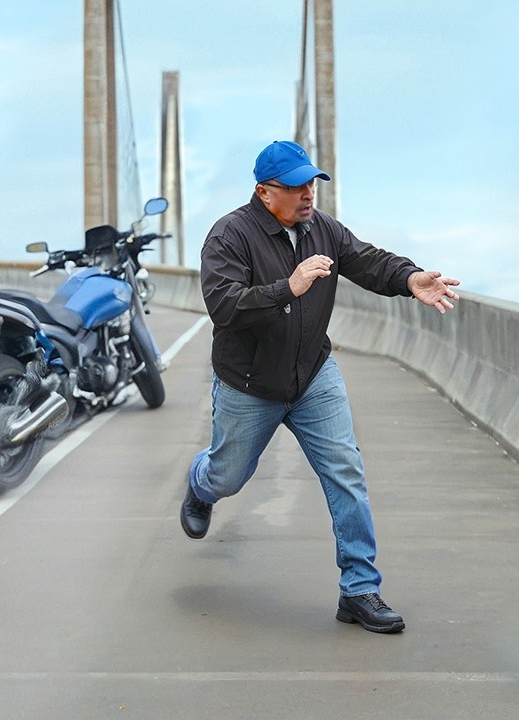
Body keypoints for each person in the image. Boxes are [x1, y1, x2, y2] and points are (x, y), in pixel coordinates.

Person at [180, 140, 460, 634]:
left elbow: (367, 260)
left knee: (346, 471)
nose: (308, 194)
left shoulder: (321, 229)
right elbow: (223, 307)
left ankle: (359, 589)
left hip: (312, 376)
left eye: (312, 183)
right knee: (227, 478)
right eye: (295, 186)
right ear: (266, 193)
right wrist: (288, 287)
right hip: (249, 384)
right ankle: (200, 485)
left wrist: (410, 277)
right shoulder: (229, 236)